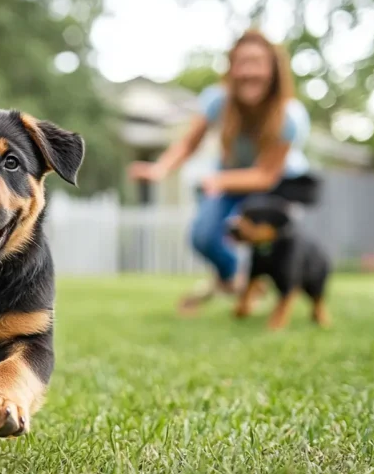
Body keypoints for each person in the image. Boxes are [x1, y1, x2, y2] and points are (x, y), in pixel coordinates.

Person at [128, 29, 311, 314]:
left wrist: (220, 179)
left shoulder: (290, 116)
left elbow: (265, 175)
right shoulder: (217, 100)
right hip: (227, 178)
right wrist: (160, 168)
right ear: (232, 67)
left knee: (274, 245)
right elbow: (188, 144)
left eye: (257, 62)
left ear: (273, 70)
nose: (249, 71)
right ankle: (234, 278)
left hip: (277, 184)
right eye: (242, 62)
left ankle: (274, 291)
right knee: (203, 236)